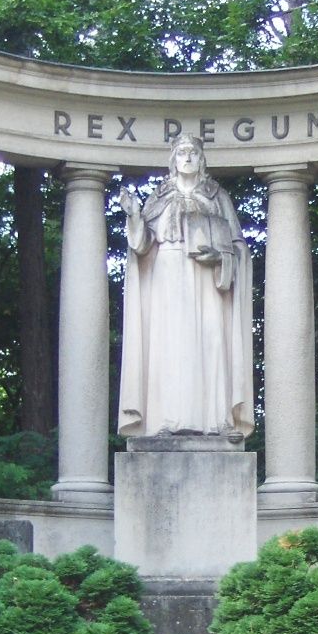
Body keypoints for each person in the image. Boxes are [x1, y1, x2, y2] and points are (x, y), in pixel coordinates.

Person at [117, 135, 253, 440]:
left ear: (202, 159)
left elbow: (239, 247)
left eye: (193, 152)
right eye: (181, 152)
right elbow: (142, 246)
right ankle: (165, 421)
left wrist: (221, 257)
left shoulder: (218, 197)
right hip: (167, 274)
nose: (187, 158)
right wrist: (135, 215)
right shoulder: (159, 197)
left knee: (212, 341)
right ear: (173, 160)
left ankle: (217, 421)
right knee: (169, 346)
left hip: (208, 277)